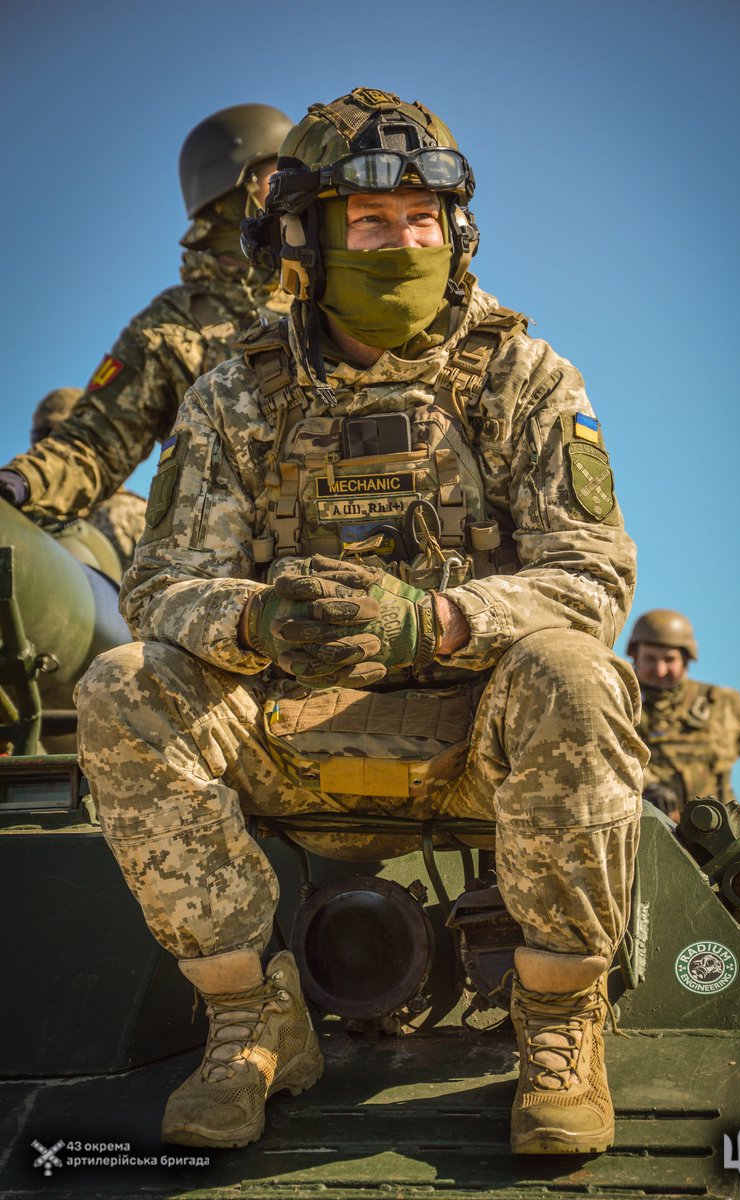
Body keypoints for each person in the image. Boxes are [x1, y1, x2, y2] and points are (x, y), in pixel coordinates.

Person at [76, 87, 647, 1157]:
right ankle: (251, 1020)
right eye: (371, 223)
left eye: (423, 219)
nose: (403, 241)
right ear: (303, 239)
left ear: (457, 229)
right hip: (285, 739)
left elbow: (589, 576)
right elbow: (162, 586)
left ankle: (561, 1022)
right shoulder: (234, 393)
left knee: (578, 674)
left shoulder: (525, 377)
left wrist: (430, 623)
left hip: (476, 744)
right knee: (122, 686)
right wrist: (259, 622)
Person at [0, 103, 293, 524]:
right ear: (235, 194)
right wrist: (19, 479)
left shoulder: (333, 287)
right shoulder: (168, 328)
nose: (300, 191)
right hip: (236, 570)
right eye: (279, 179)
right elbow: (94, 446)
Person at [627, 609, 740, 857]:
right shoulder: (618, 704)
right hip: (643, 849)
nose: (660, 669)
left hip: (722, 850)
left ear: (686, 660)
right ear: (635, 657)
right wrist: (647, 784)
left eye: (669, 659)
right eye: (651, 659)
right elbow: (598, 752)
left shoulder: (722, 707)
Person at [29, 388, 147, 574]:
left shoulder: (124, 514)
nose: (48, 447)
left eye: (59, 434)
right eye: (40, 437)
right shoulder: (38, 521)